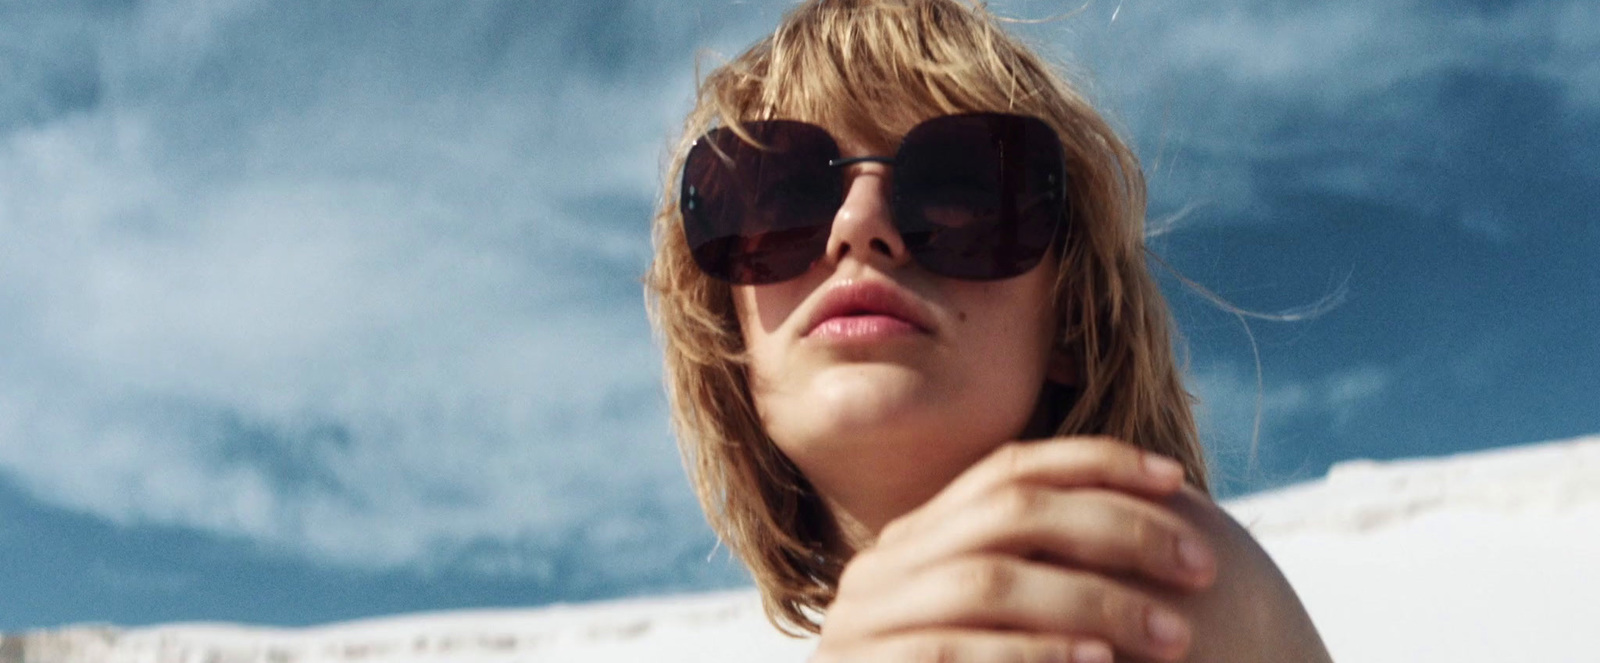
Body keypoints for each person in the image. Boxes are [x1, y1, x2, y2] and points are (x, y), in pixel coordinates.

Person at [646, 1, 1333, 661]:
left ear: (1072, 320)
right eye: (779, 201)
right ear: (731, 342)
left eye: (961, 191)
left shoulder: (1187, 591)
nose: (857, 227)